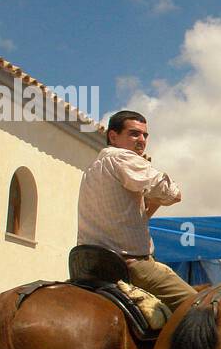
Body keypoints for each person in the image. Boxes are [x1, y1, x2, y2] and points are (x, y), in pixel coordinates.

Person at [77, 109, 197, 310]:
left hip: (88, 266)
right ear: (113, 136)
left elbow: (136, 218)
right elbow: (174, 194)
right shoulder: (123, 158)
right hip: (130, 265)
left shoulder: (93, 168)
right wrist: (159, 188)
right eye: (134, 133)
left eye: (145, 135)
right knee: (202, 307)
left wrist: (149, 198)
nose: (141, 140)